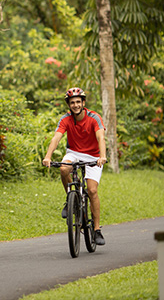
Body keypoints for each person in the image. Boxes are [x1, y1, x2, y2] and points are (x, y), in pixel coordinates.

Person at [42, 87, 107, 245]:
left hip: (94, 155)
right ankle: (70, 197)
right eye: (72, 103)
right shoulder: (65, 119)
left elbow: (101, 138)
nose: (76, 105)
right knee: (64, 169)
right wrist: (48, 156)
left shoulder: (94, 118)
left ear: (83, 103)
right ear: (69, 105)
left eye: (78, 102)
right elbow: (56, 138)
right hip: (74, 153)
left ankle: (97, 229)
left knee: (92, 190)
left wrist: (102, 156)